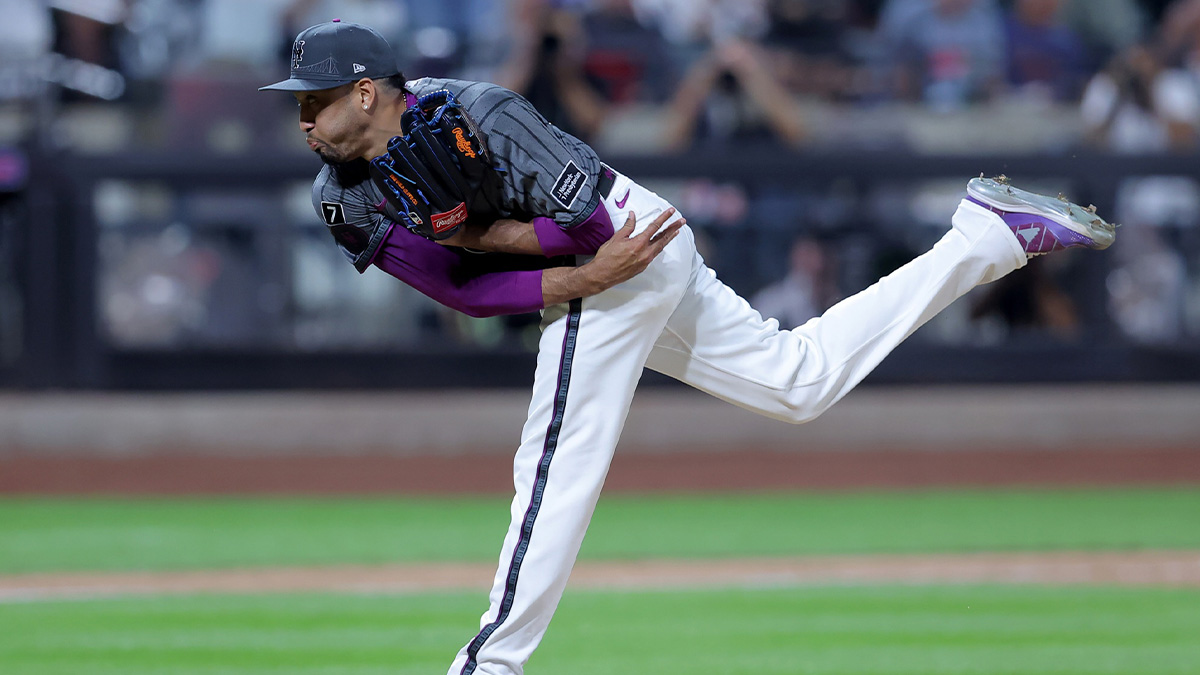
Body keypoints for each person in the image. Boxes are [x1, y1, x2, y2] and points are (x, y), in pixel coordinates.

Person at [261, 20, 1116, 675]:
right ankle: (986, 238)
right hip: (593, 263)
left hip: (620, 231)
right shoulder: (342, 196)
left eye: (315, 99)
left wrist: (568, 267)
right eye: (297, 102)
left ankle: (488, 664)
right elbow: (454, 286)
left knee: (557, 459)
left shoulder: (480, 115)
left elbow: (592, 234)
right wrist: (529, 256)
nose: (303, 118)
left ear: (369, 92)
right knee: (797, 382)